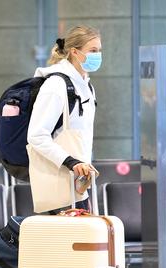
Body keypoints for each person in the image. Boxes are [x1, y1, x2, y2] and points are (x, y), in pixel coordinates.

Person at [26, 26, 102, 213]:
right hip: (58, 186)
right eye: (93, 51)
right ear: (74, 52)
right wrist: (71, 162)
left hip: (78, 185)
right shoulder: (56, 85)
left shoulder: (86, 86)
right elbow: (36, 136)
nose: (98, 55)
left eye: (99, 50)